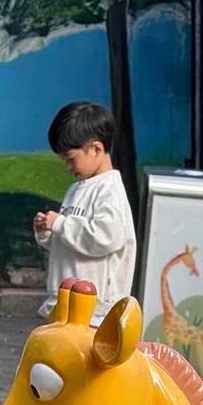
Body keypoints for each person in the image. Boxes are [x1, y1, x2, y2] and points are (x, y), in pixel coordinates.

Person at [34, 101, 137, 328]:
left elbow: (106, 237)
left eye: (71, 158)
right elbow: (72, 244)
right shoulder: (76, 189)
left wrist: (59, 224)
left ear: (96, 149)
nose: (67, 166)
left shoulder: (110, 190)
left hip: (95, 312)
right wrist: (47, 232)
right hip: (67, 304)